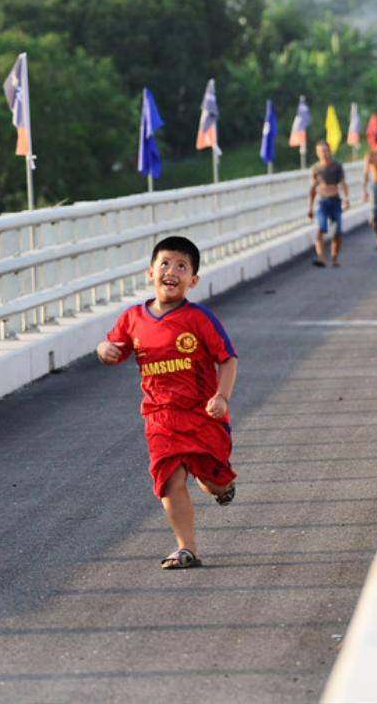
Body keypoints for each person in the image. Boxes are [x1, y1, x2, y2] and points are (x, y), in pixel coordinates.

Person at [96, 236, 238, 570]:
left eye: (181, 266)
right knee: (170, 480)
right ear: (150, 272)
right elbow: (113, 349)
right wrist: (103, 351)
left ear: (193, 280)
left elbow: (228, 359)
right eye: (165, 263)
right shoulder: (133, 318)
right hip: (160, 418)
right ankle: (187, 548)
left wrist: (222, 396)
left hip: (202, 416)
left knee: (212, 479)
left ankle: (220, 486)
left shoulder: (199, 319)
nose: (171, 271)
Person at [307, 141, 351, 267]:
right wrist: (310, 207)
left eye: (326, 150)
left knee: (337, 231)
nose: (324, 154)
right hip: (322, 202)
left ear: (330, 151)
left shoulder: (337, 166)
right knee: (320, 228)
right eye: (321, 151)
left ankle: (334, 256)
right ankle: (321, 257)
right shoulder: (315, 169)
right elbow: (312, 190)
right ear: (317, 153)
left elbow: (343, 183)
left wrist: (346, 199)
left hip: (335, 200)